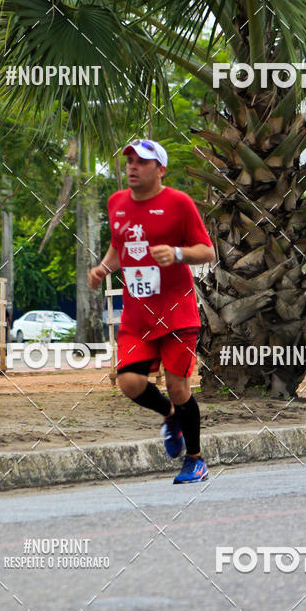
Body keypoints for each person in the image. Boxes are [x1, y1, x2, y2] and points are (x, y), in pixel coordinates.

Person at [87, 139, 215, 483]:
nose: (132, 166)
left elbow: (207, 252)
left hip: (176, 312)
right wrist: (103, 268)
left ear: (160, 169)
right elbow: (119, 245)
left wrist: (176, 254)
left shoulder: (179, 203)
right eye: (129, 160)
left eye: (142, 161)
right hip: (137, 314)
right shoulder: (116, 203)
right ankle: (170, 416)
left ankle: (195, 459)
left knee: (178, 386)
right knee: (128, 382)